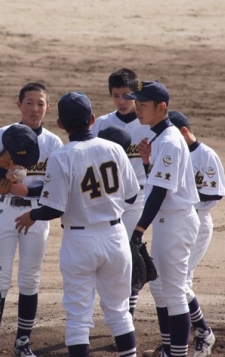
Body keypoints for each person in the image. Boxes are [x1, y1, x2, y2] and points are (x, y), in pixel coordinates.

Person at [14, 92, 141, 357]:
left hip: (80, 242)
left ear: (60, 124)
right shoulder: (115, 149)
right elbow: (131, 196)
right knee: (119, 312)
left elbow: (53, 208)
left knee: (79, 317)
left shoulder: (62, 156)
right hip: (116, 237)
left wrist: (31, 215)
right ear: (92, 119)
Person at [0, 83, 64, 357]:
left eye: (40, 103)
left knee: (29, 280)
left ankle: (23, 342)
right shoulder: (5, 134)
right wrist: (4, 174)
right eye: (29, 102)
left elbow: (59, 183)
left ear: (47, 107)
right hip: (5, 212)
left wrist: (29, 191)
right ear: (19, 105)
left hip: (36, 214)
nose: (35, 109)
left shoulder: (53, 142)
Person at [122, 81, 201, 357]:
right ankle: (170, 349)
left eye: (143, 105)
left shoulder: (168, 140)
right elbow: (161, 181)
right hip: (170, 221)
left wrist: (138, 230)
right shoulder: (161, 137)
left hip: (176, 222)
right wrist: (146, 161)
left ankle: (176, 353)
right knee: (162, 288)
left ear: (161, 107)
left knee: (175, 292)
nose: (138, 109)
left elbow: (159, 192)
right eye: (137, 104)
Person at [152, 111, 225, 357]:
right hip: (172, 222)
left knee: (178, 284)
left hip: (196, 222)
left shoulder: (206, 155)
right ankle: (172, 345)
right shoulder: (172, 151)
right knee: (163, 283)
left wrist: (183, 193)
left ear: (184, 131)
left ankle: (204, 333)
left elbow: (215, 192)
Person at [91, 68, 154, 316]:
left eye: (127, 95)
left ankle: (128, 311)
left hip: (138, 198)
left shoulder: (147, 124)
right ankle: (115, 307)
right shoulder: (102, 124)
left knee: (130, 252)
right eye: (116, 96)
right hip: (108, 199)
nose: (122, 101)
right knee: (108, 255)